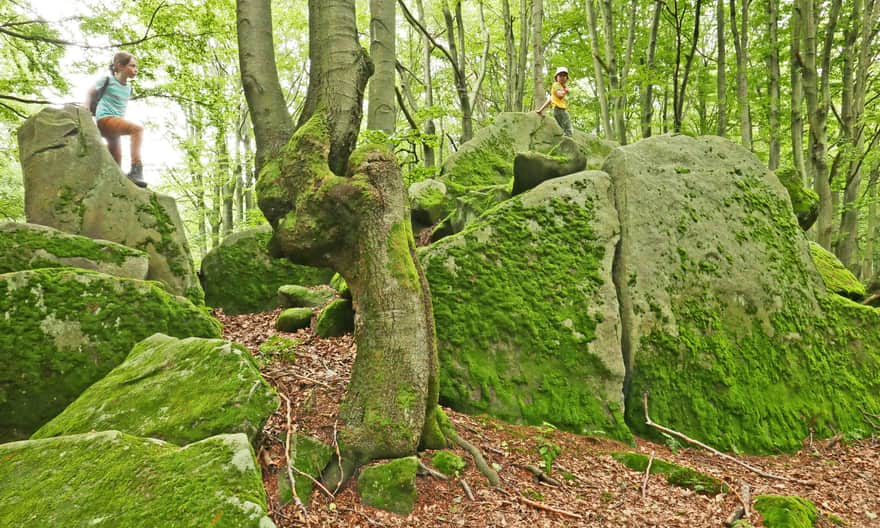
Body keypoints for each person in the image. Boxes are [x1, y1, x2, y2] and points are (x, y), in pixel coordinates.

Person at [85, 52, 146, 187]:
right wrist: (85, 110)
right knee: (137, 129)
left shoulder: (128, 88)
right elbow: (90, 92)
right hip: (105, 120)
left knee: (116, 166)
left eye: (136, 67)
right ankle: (137, 168)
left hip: (114, 128)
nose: (136, 69)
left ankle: (100, 169)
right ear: (120, 66)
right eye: (132, 66)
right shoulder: (108, 80)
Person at [535, 66, 573, 137]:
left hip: (557, 110)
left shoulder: (560, 87)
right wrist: (565, 90)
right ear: (556, 77)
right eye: (560, 75)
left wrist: (540, 110)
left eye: (564, 75)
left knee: (562, 127)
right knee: (568, 127)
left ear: (566, 78)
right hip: (559, 110)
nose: (562, 77)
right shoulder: (556, 85)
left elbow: (550, 100)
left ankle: (563, 139)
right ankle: (568, 139)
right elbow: (560, 95)